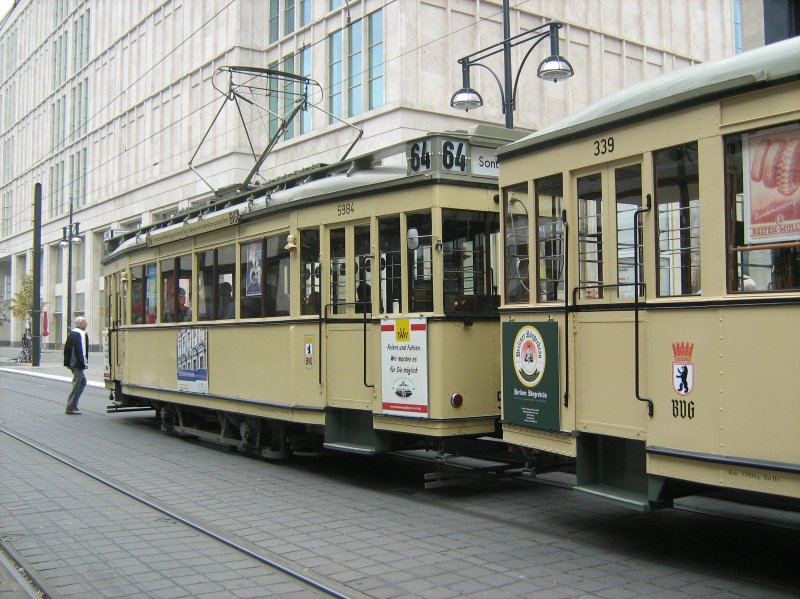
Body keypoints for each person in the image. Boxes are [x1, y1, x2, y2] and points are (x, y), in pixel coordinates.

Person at [63, 316, 89, 415]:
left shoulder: (72, 333)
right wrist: (82, 363)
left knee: (82, 381)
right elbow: (80, 350)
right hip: (77, 363)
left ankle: (74, 404)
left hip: (72, 362)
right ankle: (70, 407)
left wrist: (67, 362)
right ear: (81, 324)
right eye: (85, 322)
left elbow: (67, 349)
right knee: (77, 383)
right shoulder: (81, 334)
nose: (86, 324)